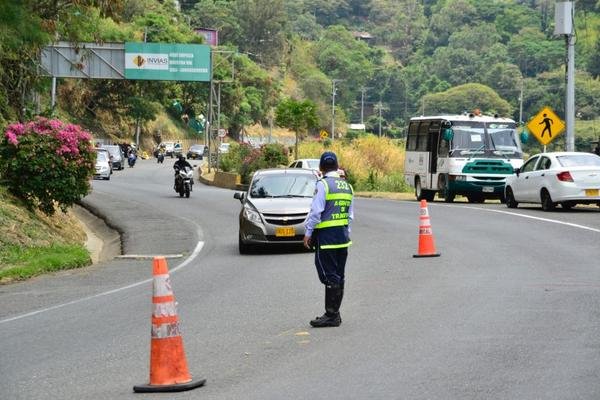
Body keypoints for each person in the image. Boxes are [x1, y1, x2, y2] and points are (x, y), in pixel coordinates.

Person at [303, 151, 354, 328]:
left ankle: (331, 315)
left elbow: (316, 213)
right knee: (339, 276)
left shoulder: (323, 184)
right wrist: (346, 233)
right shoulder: (347, 186)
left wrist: (308, 233)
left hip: (327, 239)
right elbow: (350, 216)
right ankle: (335, 314)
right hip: (343, 238)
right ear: (337, 166)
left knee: (328, 275)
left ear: (321, 168)